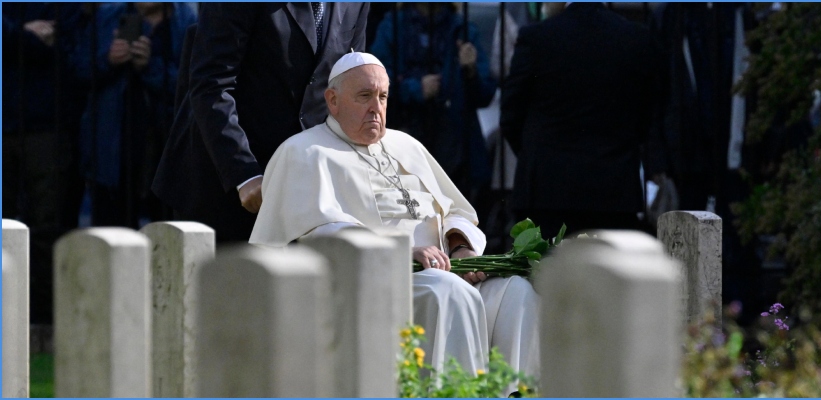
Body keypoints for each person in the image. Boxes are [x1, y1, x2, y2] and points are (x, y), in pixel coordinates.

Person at [250, 52, 539, 389]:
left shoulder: (407, 145)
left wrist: (460, 248)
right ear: (333, 100)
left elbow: (457, 210)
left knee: (515, 292)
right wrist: (401, 251)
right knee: (447, 292)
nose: (376, 107)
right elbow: (319, 232)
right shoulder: (304, 152)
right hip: (370, 286)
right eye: (364, 96)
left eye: (383, 97)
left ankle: (513, 395)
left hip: (443, 274)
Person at [152, 3, 369, 242]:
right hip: (223, 183)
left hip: (304, 188)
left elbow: (348, 82)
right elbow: (212, 85)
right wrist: (243, 173)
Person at [500, 2, 667, 239]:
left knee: (545, 271)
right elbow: (648, 114)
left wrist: (538, 154)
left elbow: (511, 114)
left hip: (547, 189)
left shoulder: (537, 37)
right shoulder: (636, 38)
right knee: (607, 273)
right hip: (613, 190)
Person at [73, 2, 196, 228]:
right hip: (113, 148)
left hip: (166, 145)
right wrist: (108, 60)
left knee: (168, 230)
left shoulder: (186, 18)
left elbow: (195, 84)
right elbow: (79, 68)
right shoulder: (109, 15)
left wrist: (150, 67)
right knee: (112, 230)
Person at [2, 2, 85, 326]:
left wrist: (12, 37)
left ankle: (41, 317)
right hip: (12, 116)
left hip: (48, 121)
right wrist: (23, 35)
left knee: (48, 224)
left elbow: (69, 48)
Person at [369, 3, 497, 209]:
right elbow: (374, 81)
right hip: (407, 131)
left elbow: (485, 94)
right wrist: (415, 88)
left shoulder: (461, 28)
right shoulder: (393, 25)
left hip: (454, 142)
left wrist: (471, 70)